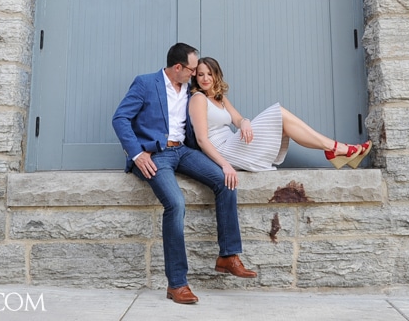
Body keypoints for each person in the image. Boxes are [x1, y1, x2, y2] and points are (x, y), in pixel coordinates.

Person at [111, 43, 257, 305]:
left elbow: (222, 110)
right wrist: (137, 154)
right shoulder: (145, 84)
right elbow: (120, 118)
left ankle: (227, 256)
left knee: (226, 182)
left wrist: (242, 122)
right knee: (176, 204)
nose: (196, 74)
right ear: (177, 67)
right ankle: (177, 284)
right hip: (156, 155)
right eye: (192, 69)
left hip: (184, 152)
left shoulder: (191, 91)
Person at [189, 56, 371, 185]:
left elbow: (237, 119)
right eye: (201, 74)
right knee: (279, 114)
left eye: (210, 74)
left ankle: (333, 148)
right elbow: (202, 140)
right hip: (222, 150)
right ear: (195, 77)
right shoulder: (198, 98)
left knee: (283, 126)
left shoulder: (219, 97)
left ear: (216, 75)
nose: (205, 78)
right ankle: (336, 148)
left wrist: (245, 122)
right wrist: (225, 165)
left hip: (231, 142)